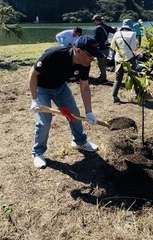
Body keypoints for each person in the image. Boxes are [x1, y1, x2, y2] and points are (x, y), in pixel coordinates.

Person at [29, 35, 103, 169]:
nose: (92, 59)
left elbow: (85, 87)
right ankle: (37, 152)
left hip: (60, 87)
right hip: (42, 89)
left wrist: (89, 112)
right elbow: (33, 74)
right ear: (78, 50)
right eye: (90, 56)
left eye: (94, 57)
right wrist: (35, 99)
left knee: (74, 113)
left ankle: (79, 141)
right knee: (44, 120)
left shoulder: (84, 63)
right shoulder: (54, 54)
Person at [110, 19, 137, 103]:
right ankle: (137, 94)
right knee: (133, 76)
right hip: (129, 58)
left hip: (118, 58)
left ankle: (114, 96)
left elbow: (112, 46)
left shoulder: (116, 33)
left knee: (118, 78)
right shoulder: (133, 34)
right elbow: (133, 48)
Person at [92, 14, 117, 83]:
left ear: (96, 21)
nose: (93, 22)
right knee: (104, 63)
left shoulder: (97, 28)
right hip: (107, 47)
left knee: (101, 64)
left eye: (93, 21)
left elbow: (95, 41)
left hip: (100, 48)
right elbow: (115, 31)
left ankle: (103, 78)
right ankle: (103, 75)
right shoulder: (106, 26)